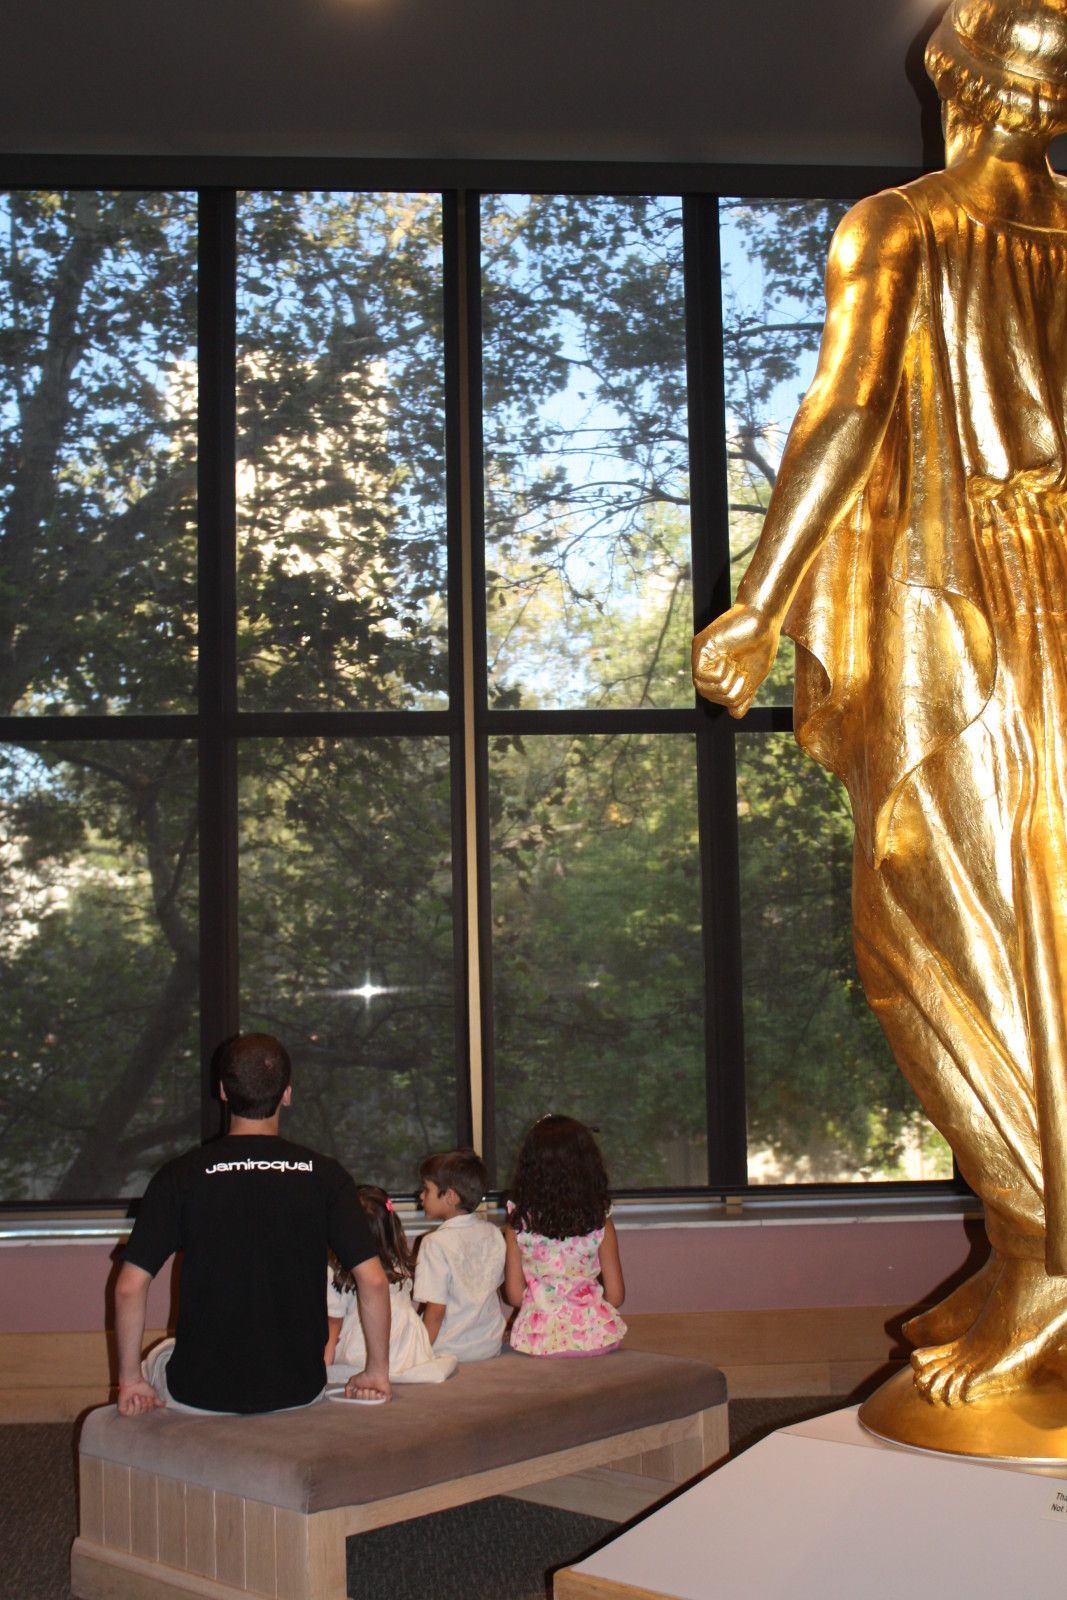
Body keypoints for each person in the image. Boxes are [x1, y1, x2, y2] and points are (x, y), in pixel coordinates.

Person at [693, 0, 1067, 1408]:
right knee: (1026, 923)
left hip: (961, 609)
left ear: (947, 84)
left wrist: (762, 596)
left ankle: (1041, 1251)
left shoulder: (898, 226)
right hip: (1041, 597)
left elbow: (842, 410)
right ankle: (1033, 1237)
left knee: (934, 932)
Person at [114, 1033, 392, 1415]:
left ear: (224, 1092)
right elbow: (374, 1280)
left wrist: (131, 1380)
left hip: (199, 1393)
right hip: (299, 1389)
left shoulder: (180, 1176)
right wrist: (377, 1371)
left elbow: (130, 1287)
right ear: (287, 1094)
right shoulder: (327, 1176)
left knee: (158, 1356)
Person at [503, 1115, 626, 1357]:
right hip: (596, 1339)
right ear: (588, 1165)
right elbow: (616, 1295)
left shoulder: (517, 1222)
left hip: (538, 1343)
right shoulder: (600, 1219)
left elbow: (515, 1295)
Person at [325, 1185, 456, 1384]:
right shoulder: (399, 1262)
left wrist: (324, 1367)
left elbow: (333, 1325)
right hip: (409, 1348)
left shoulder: (337, 1270)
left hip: (366, 1347)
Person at [413, 1149, 505, 1361]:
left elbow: (436, 1311)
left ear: (450, 1197)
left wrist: (419, 1356)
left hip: (449, 1348)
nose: (421, 1196)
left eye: (426, 1190)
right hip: (489, 1344)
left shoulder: (434, 1243)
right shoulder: (492, 1232)